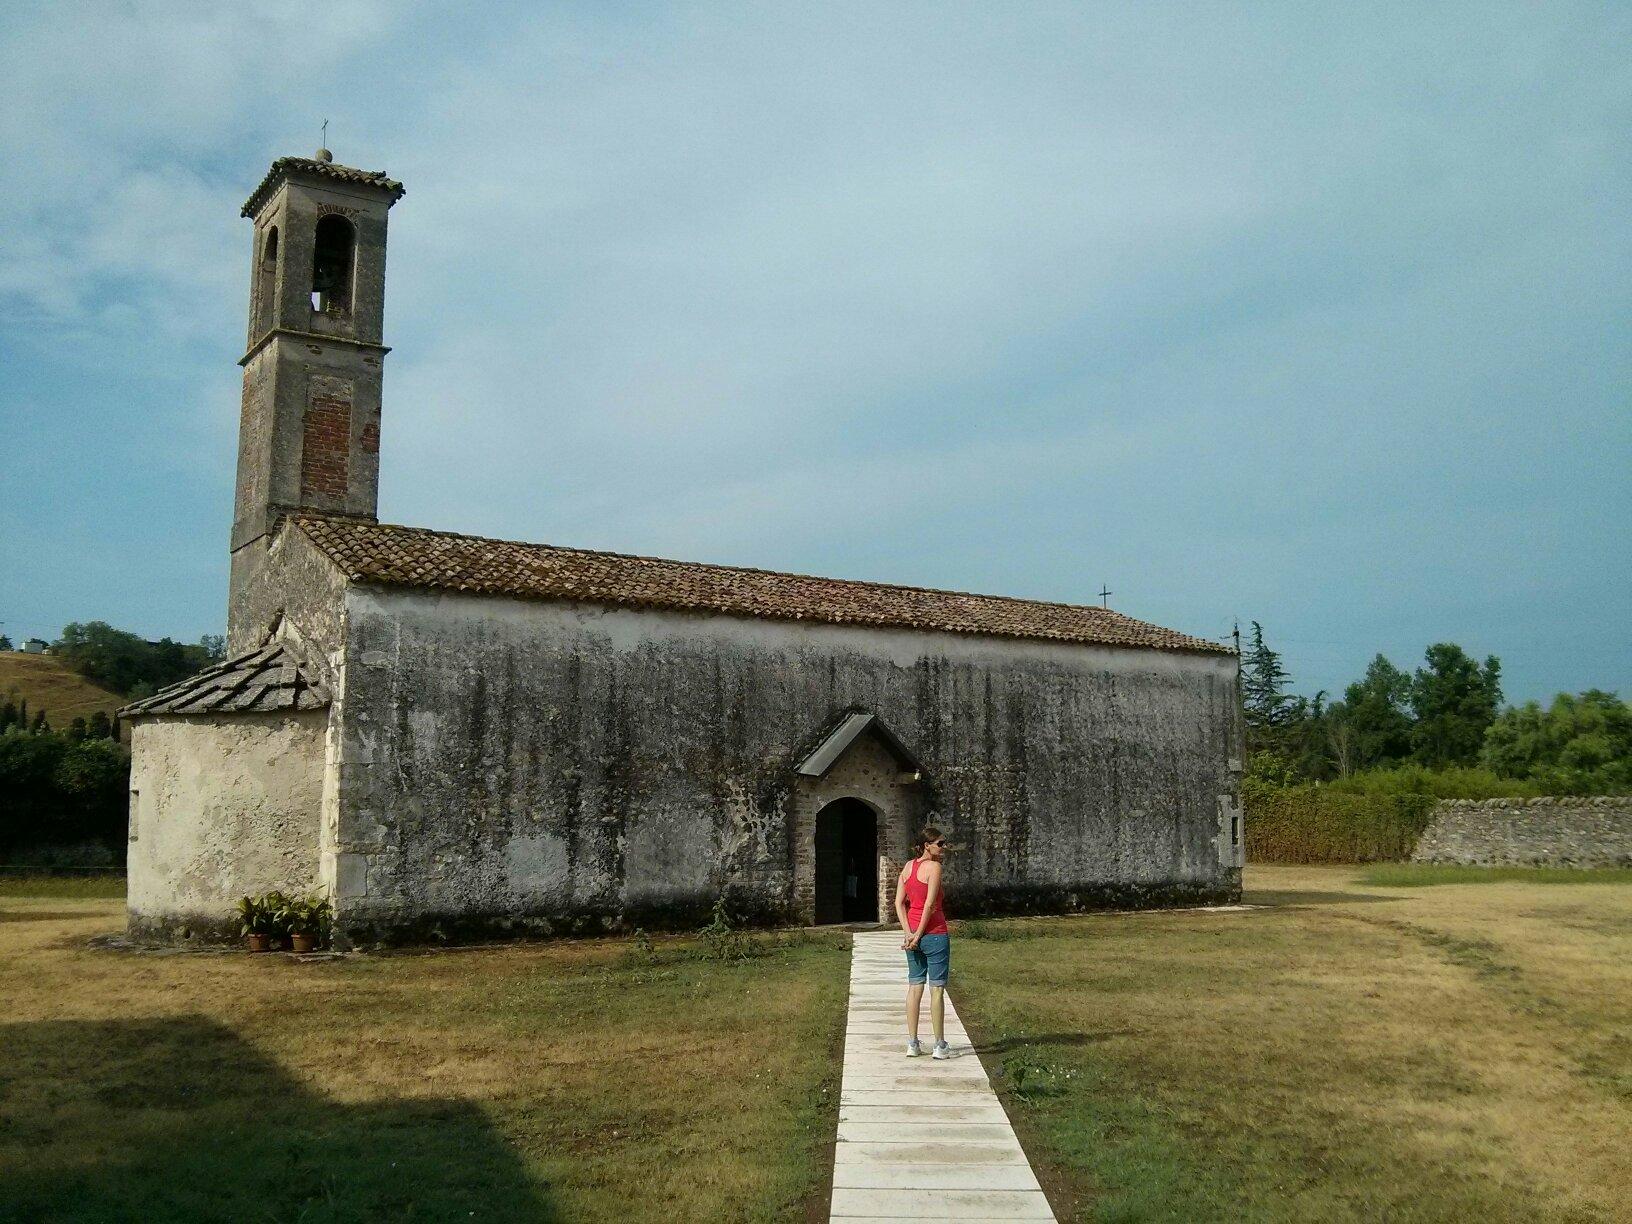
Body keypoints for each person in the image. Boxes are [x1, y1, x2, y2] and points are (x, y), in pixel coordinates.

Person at [895, 825, 952, 1059]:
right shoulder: (935, 868)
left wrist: (908, 933)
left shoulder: (908, 867)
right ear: (927, 845)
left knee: (914, 986)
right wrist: (917, 935)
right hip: (935, 933)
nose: (944, 847)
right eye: (940, 843)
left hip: (913, 936)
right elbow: (930, 905)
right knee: (936, 989)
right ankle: (939, 1045)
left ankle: (912, 1043)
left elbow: (899, 903)